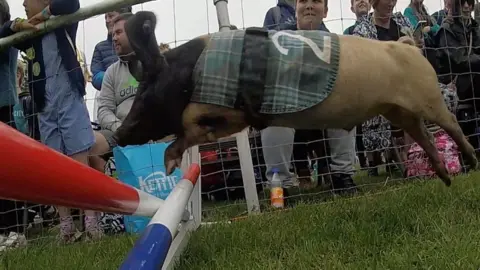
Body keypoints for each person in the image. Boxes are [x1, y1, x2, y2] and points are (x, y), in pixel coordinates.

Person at [0, 0, 99, 243]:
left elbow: (71, 2)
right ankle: (66, 227)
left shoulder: (63, 23)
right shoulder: (29, 34)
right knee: (56, 166)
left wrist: (45, 14)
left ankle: (91, 223)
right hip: (45, 107)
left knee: (80, 160)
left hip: (70, 99)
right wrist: (20, 23)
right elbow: (2, 31)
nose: (23, 3)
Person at [90, 12, 139, 175]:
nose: (114, 38)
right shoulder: (111, 72)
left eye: (118, 33)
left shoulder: (155, 63)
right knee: (89, 143)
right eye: (113, 34)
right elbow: (103, 110)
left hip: (152, 128)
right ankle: (113, 183)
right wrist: (121, 128)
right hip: (119, 130)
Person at [90, 6, 132, 123]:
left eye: (111, 16)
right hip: (110, 102)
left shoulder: (142, 47)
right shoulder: (100, 48)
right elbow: (96, 77)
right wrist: (117, 77)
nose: (107, 20)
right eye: (105, 17)